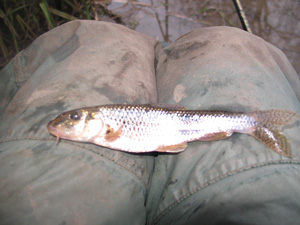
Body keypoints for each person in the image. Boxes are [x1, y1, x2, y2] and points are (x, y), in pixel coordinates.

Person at [0, 20, 300, 225]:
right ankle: (253, 123)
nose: (68, 121)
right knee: (231, 41)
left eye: (75, 117)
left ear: (96, 120)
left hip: (178, 126)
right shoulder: (103, 126)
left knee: (89, 32)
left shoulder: (106, 125)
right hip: (181, 136)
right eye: (73, 118)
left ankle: (254, 123)